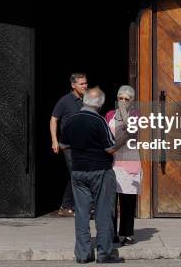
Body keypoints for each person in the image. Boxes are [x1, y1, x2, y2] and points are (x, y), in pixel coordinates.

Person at [61, 87, 125, 264]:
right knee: (103, 213)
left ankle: (83, 254)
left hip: (78, 172)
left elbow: (64, 145)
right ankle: (105, 254)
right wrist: (123, 138)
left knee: (81, 214)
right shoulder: (99, 121)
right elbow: (110, 148)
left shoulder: (70, 121)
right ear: (101, 104)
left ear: (84, 101)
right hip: (100, 171)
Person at [105, 85, 142, 246]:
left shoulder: (136, 116)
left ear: (132, 102)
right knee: (111, 200)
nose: (123, 101)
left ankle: (127, 234)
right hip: (112, 162)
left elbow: (130, 132)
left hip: (129, 161)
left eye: (127, 99)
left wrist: (124, 115)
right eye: (120, 98)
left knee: (128, 200)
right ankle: (111, 232)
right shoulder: (110, 115)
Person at [50, 73, 88, 216]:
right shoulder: (65, 101)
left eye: (85, 83)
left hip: (84, 145)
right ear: (73, 85)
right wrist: (54, 140)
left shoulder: (87, 100)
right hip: (68, 145)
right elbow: (54, 119)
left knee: (77, 174)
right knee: (77, 173)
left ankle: (66, 206)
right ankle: (75, 206)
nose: (85, 86)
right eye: (81, 84)